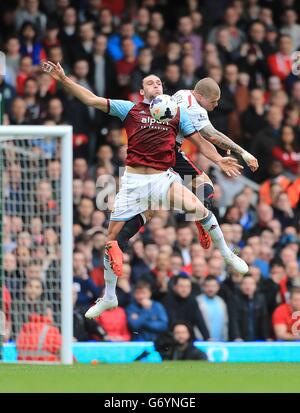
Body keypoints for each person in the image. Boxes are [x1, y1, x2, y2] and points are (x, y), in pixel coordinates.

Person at [43, 63, 248, 320]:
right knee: (111, 242)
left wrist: (219, 160)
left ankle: (227, 254)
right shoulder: (130, 109)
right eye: (151, 83)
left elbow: (202, 142)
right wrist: (63, 78)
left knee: (200, 208)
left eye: (159, 83)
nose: (156, 86)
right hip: (132, 183)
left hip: (163, 178)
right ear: (142, 92)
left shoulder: (176, 114)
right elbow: (92, 99)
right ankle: (109, 296)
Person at [163, 275, 210, 340]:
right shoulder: (167, 300)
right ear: (174, 287)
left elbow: (200, 321)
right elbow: (171, 322)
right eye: (181, 286)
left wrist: (207, 337)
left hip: (189, 338)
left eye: (188, 287)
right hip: (172, 337)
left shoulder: (192, 301)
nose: (185, 289)